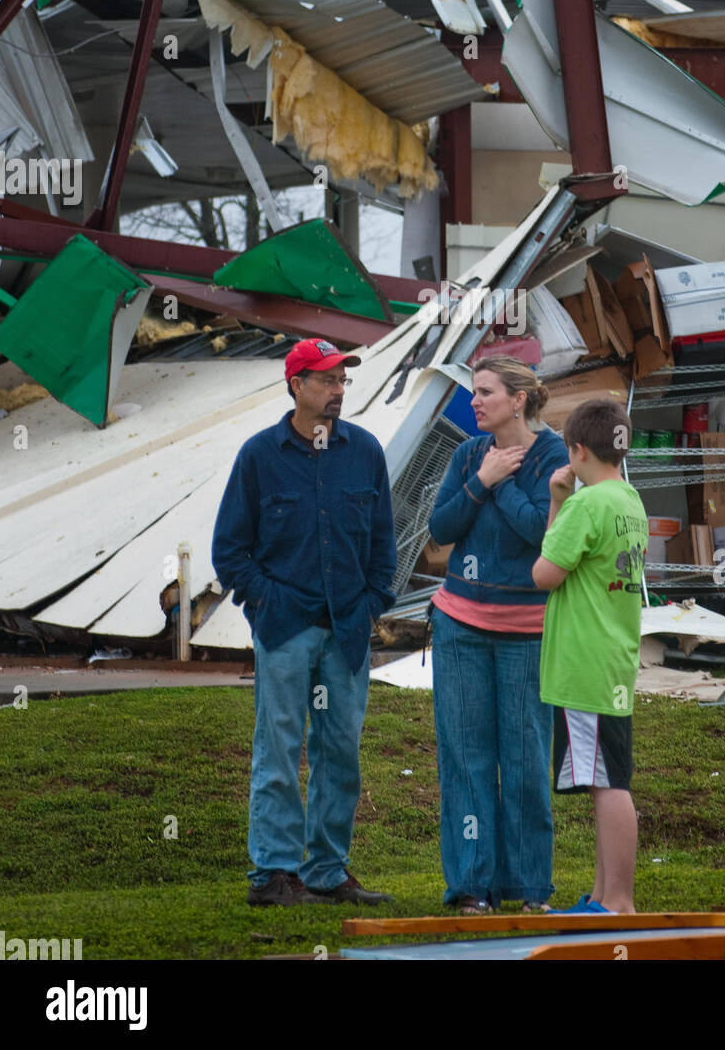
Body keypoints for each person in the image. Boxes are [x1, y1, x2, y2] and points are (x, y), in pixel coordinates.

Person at [212, 337, 397, 907]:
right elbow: (230, 551)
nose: (339, 390)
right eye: (327, 380)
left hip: (347, 634)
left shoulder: (365, 452)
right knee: (279, 748)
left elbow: (383, 549)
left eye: (343, 380)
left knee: (340, 751)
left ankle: (326, 870)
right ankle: (273, 874)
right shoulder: (258, 456)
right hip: (285, 630)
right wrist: (269, 604)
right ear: (296, 385)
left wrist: (370, 605)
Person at [427, 356, 570, 914]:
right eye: (473, 391)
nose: (475, 401)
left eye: (485, 392)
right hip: (459, 628)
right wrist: (482, 480)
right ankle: (470, 887)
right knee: (465, 758)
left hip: (526, 634)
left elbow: (542, 532)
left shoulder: (555, 455)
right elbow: (440, 530)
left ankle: (531, 889)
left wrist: (499, 484)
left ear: (517, 399)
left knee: (527, 760)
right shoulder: (468, 453)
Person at [531, 398, 648, 915]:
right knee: (606, 778)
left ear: (577, 451)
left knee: (608, 785)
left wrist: (558, 501)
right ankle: (602, 897)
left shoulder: (586, 505)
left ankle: (618, 901)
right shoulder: (629, 500)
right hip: (613, 661)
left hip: (584, 665)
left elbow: (544, 573)